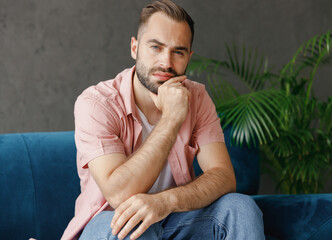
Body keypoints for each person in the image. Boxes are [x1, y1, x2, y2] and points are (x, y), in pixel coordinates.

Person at [62, 0, 265, 239]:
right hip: (111, 224)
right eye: (156, 47)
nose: (166, 63)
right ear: (134, 48)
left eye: (177, 52)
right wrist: (171, 118)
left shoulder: (197, 97)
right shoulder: (96, 103)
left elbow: (223, 176)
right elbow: (118, 194)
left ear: (189, 57)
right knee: (131, 228)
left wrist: (165, 202)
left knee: (241, 208)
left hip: (174, 217)